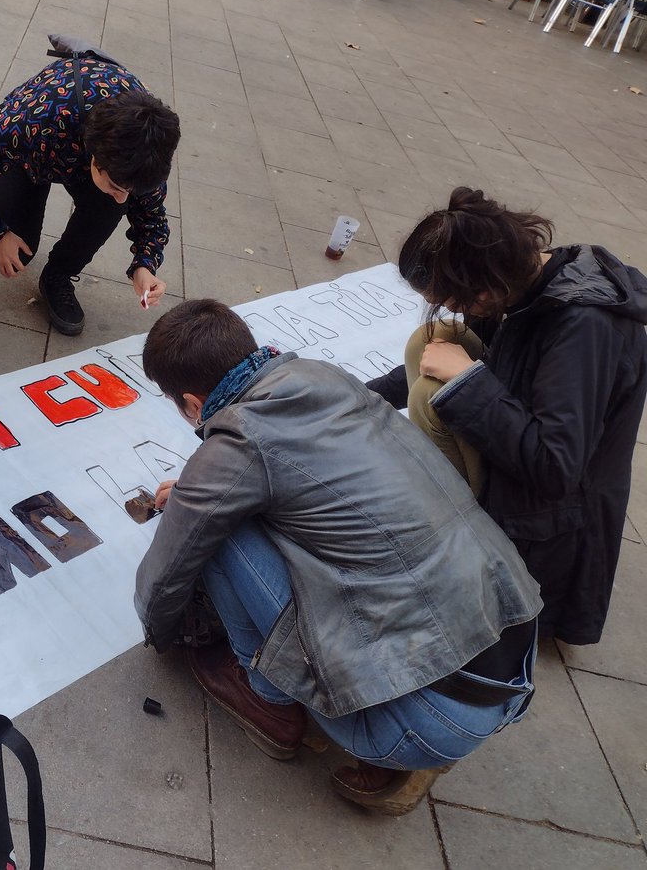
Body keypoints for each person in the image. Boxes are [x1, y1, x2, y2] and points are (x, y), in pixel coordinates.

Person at [134, 300, 542, 816]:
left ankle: (268, 699)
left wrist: (160, 630)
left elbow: (169, 569)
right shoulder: (321, 376)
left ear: (192, 403)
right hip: (509, 668)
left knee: (219, 530)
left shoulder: (238, 438)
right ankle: (408, 730)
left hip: (427, 716)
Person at [368, 187, 647, 646]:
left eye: (456, 298)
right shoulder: (520, 280)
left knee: (432, 392)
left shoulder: (584, 327)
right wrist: (353, 398)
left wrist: (466, 384)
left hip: (552, 514)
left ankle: (456, 525)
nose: (455, 307)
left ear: (487, 281)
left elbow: (556, 468)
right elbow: (430, 358)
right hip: (527, 444)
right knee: (433, 340)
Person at [0, 53, 181, 336]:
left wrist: (144, 265)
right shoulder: (33, 121)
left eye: (130, 190)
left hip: (81, 151)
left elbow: (152, 214)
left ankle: (58, 276)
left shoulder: (147, 153)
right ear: (95, 156)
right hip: (36, 152)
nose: (124, 197)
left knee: (111, 203)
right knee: (16, 254)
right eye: (117, 184)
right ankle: (0, 190)